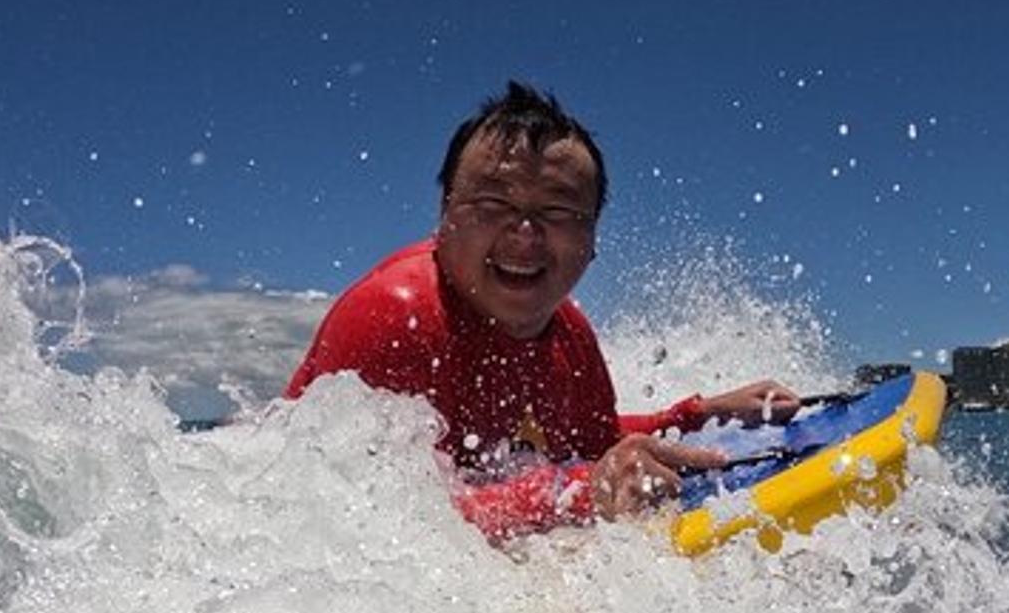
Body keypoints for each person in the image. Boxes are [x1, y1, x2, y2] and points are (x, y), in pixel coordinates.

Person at [286, 81, 795, 540]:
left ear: (592, 239)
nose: (524, 234)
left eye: (557, 212)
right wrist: (576, 491)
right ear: (445, 217)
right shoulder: (395, 314)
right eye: (492, 204)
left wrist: (694, 415)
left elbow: (590, 445)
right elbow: (365, 523)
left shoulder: (567, 335)